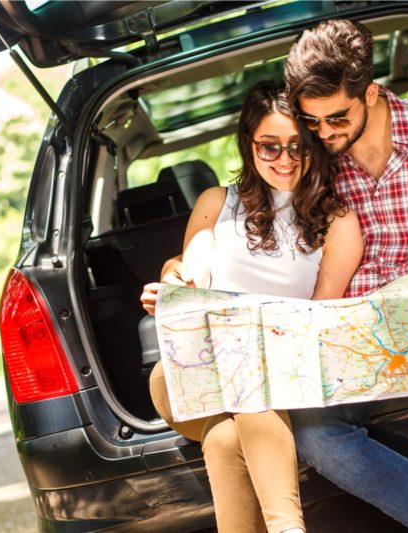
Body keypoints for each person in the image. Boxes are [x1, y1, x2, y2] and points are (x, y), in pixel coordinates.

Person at [159, 19, 408, 533]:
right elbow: (237, 235)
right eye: (314, 123)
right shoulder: (311, 165)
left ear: (371, 92)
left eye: (337, 118)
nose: (326, 135)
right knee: (313, 431)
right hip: (360, 344)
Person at [141, 81, 363, 533]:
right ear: (249, 144)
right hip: (192, 377)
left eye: (297, 147)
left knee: (226, 438)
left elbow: (320, 320)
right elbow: (190, 271)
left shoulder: (337, 219)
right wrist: (170, 283)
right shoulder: (216, 203)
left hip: (286, 378)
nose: (285, 160)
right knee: (230, 358)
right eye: (270, 146)